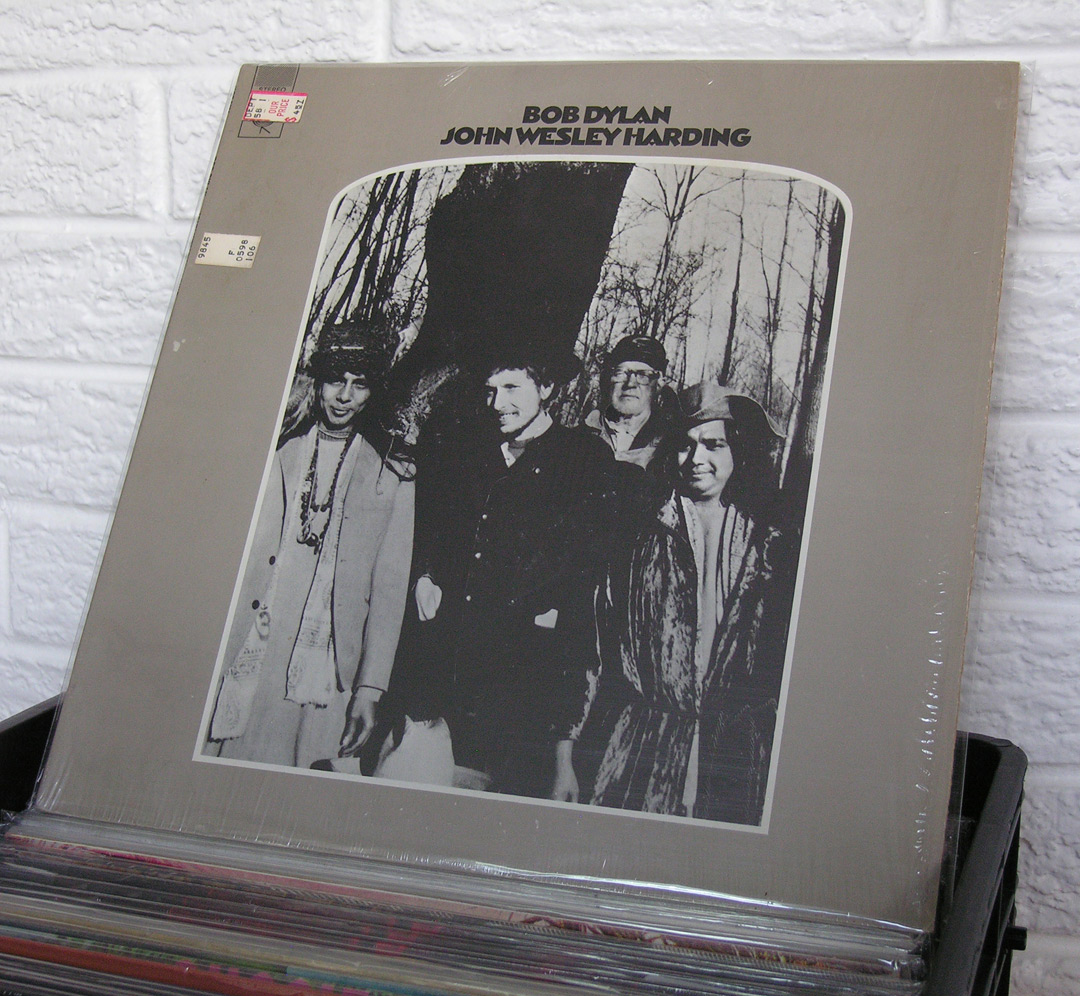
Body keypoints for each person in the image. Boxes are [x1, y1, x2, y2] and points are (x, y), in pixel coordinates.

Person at [556, 381, 793, 824]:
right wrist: (563, 754)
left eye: (713, 445)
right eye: (686, 445)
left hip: (732, 761)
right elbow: (589, 645)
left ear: (736, 454)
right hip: (639, 753)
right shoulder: (637, 534)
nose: (697, 458)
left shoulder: (765, 545)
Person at [402, 338, 614, 799]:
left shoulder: (581, 460)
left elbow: (581, 584)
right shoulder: (470, 454)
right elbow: (437, 530)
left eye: (512, 388)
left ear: (547, 388)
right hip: (448, 680)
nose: (497, 404)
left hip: (523, 690)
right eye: (490, 390)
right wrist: (426, 574)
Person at [207, 327, 415, 769]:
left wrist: (369, 690)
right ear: (318, 382)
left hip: (326, 667)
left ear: (373, 392)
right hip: (251, 644)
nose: (345, 396)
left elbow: (389, 592)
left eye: (360, 384)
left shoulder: (392, 476)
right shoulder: (276, 449)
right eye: (335, 380)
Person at [583, 335, 676, 473]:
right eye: (621, 373)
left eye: (643, 375)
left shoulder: (670, 449)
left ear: (659, 382)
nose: (630, 383)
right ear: (610, 379)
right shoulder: (580, 437)